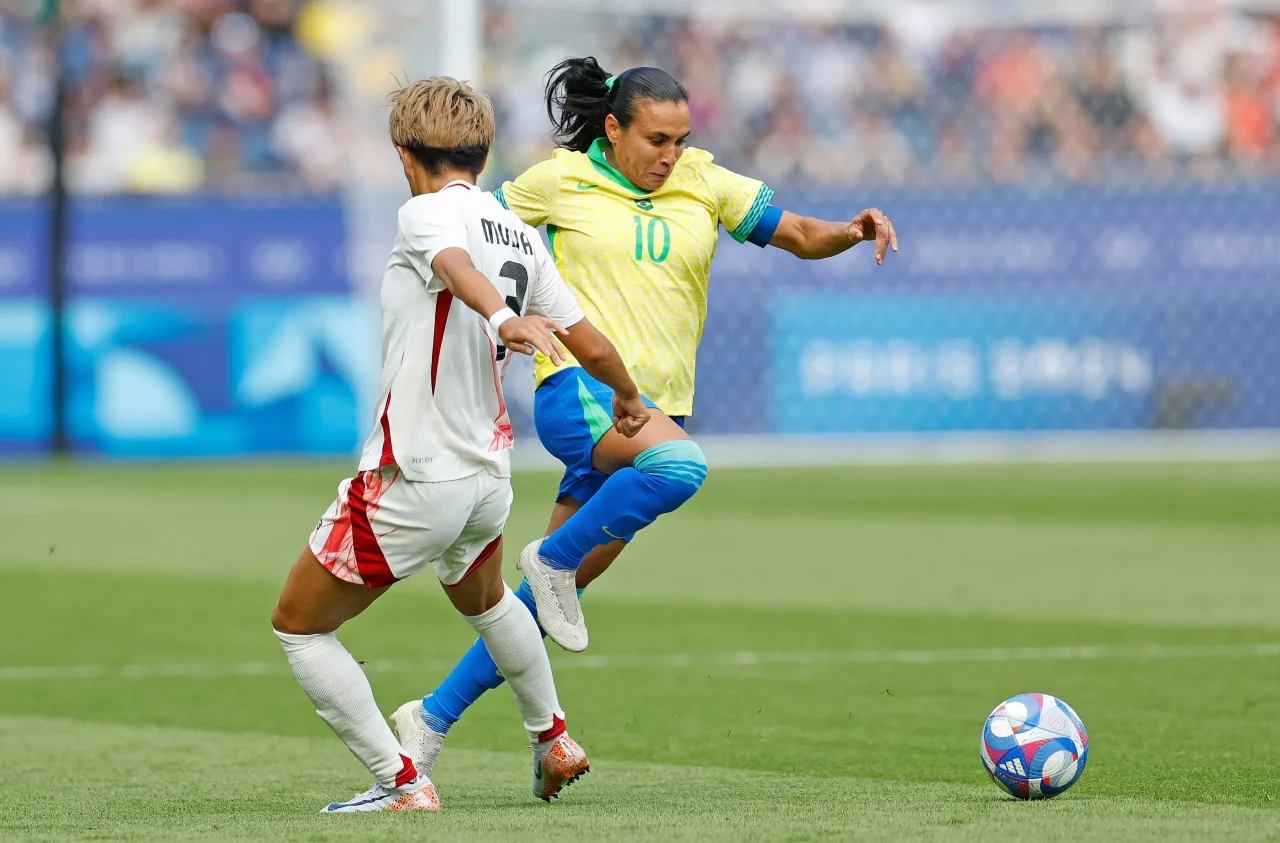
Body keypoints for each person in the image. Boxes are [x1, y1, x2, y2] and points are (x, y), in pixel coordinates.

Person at [394, 57, 898, 785]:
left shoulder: (705, 181)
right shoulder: (558, 180)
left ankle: (436, 721)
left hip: (652, 410)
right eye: (656, 138)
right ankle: (555, 558)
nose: (671, 154)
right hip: (580, 389)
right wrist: (497, 314)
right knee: (680, 467)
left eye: (681, 139)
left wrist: (850, 231)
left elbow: (795, 232)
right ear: (612, 128)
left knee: (531, 609)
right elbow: (469, 226)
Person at [268, 76, 649, 813]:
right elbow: (586, 337)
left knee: (298, 624)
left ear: (405, 155)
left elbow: (455, 268)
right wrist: (627, 393)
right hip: (487, 476)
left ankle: (401, 781)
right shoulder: (516, 229)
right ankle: (553, 737)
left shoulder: (422, 213)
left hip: (416, 473)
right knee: (485, 598)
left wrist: (502, 319)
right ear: (484, 150)